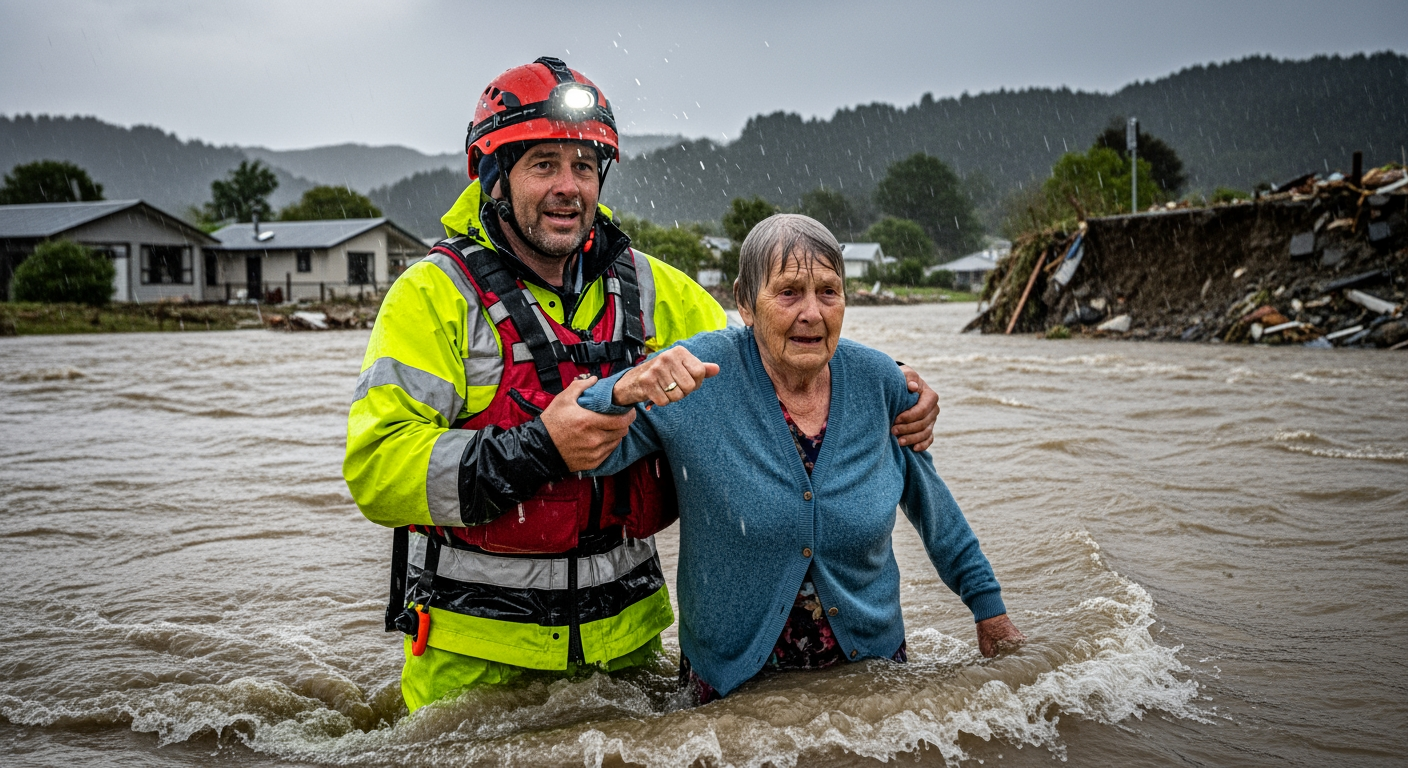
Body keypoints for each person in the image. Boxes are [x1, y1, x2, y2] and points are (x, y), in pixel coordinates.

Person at [343, 60, 944, 712]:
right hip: (472, 670)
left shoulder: (661, 291)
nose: (569, 187)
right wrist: (540, 447)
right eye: (544, 164)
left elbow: (774, 365)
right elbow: (378, 470)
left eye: (584, 166)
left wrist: (887, 388)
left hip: (628, 656)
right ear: (493, 175)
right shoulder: (431, 297)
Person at [578, 214, 1026, 701]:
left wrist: (991, 614)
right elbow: (591, 449)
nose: (812, 312)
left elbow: (938, 517)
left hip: (872, 678)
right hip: (731, 680)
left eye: (829, 292)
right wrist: (619, 390)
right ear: (745, 303)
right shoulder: (697, 377)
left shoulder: (881, 383)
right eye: (789, 292)